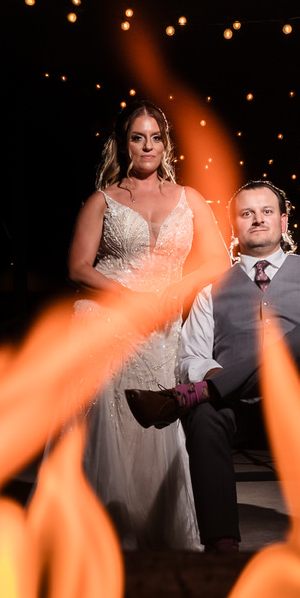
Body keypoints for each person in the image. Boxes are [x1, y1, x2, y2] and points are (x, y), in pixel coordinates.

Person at [126, 180, 300, 553]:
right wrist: (234, 380)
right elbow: (192, 356)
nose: (258, 220)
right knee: (205, 418)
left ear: (284, 223)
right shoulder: (211, 290)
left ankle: (189, 397)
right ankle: (221, 547)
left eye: (267, 211)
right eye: (247, 214)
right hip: (239, 409)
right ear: (234, 227)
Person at [66, 101, 229, 549]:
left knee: (158, 420)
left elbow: (217, 259)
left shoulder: (189, 197)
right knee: (112, 423)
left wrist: (178, 291)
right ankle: (106, 539)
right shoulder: (103, 200)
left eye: (155, 137)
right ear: (125, 143)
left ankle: (159, 530)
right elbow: (79, 268)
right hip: (109, 319)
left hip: (163, 326)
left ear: (165, 143)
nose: (147, 145)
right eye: (138, 137)